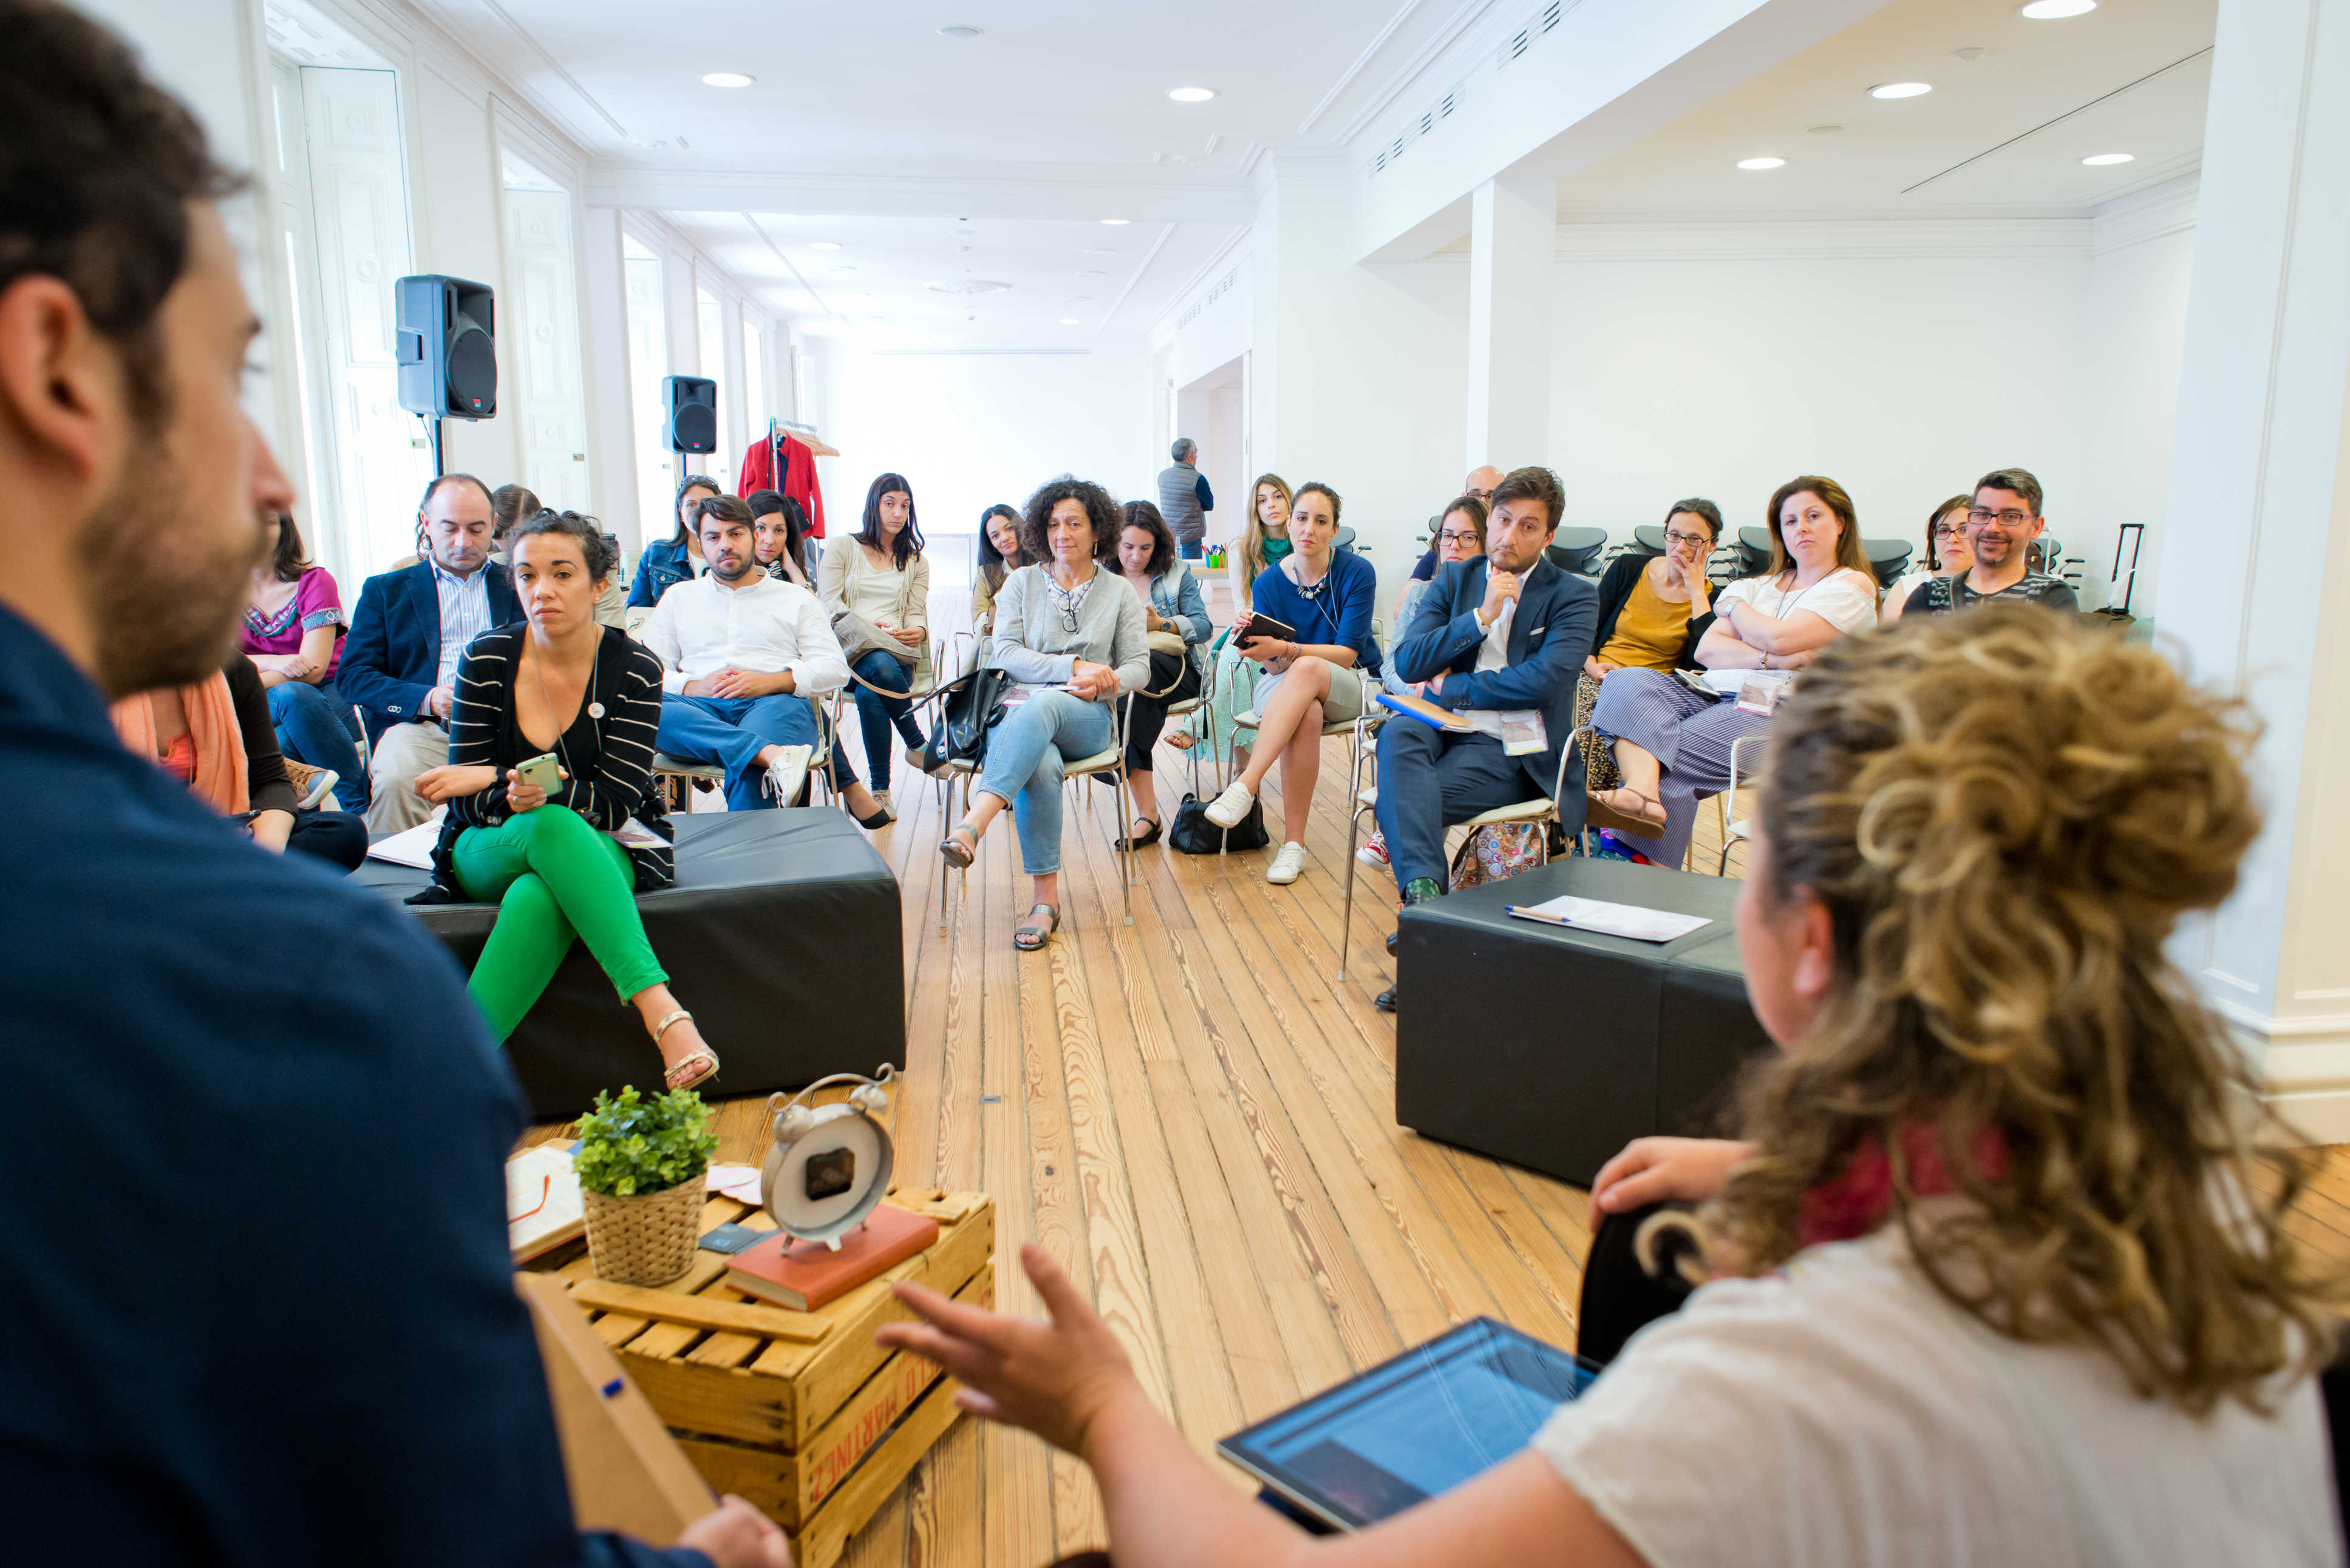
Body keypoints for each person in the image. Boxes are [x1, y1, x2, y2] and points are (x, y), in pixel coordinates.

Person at [878, 605, 2343, 1568]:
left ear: (1811, 937)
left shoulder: (1813, 1379)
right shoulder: (2177, 1185)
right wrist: (1751, 1171)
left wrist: (1098, 1409)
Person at [0, 6, 782, 1561]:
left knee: (563, 835)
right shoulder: (288, 1002)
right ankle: (643, 1021)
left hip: (548, 839)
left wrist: (519, 776)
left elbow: (594, 776)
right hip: (489, 864)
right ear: (57, 371)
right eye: (231, 374)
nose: (279, 482)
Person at [409, 511, 719, 1090]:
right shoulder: (486, 659)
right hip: (489, 845)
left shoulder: (635, 667)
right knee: (549, 825)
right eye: (526, 575)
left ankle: (447, 1080)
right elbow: (468, 804)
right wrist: (504, 785)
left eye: (561, 574)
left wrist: (490, 778)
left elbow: (618, 802)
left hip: (608, 840)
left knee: (539, 892)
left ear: (601, 585)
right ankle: (663, 1012)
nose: (541, 590)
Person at [1370, 466, 1595, 1011]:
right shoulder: (1456, 579)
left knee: (1403, 801)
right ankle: (1429, 910)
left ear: (1548, 537)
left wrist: (1458, 687)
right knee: (1399, 733)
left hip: (1512, 747)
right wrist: (1479, 618)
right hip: (1437, 725)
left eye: (1527, 526)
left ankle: (1428, 937)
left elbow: (1546, 679)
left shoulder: (1575, 596)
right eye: (1502, 519)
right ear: (1489, 517)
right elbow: (1409, 659)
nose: (1509, 536)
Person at [1590, 475, 1879, 871]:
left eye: (1814, 516)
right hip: (1708, 690)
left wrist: (1734, 610)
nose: (1802, 528)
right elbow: (1710, 650)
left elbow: (1780, 636)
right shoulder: (1758, 585)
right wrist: (1775, 657)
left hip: (1785, 709)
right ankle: (1641, 793)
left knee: (1669, 760)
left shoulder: (1851, 585)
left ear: (1841, 522)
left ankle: (1638, 877)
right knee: (1627, 680)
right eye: (1790, 521)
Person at [938, 477, 1148, 951]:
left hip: (1089, 718)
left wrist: (1105, 679)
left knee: (1049, 702)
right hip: (1016, 717)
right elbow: (1005, 652)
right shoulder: (1019, 583)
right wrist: (1071, 665)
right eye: (1053, 524)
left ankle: (977, 819)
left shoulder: (1118, 592)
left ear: (1098, 531)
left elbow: (1140, 666)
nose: (1062, 533)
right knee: (1042, 758)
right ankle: (1044, 902)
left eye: (1074, 522)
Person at [1199, 481, 1381, 887]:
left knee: (1308, 670)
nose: (1308, 529)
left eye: (1321, 521)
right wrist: (1255, 642)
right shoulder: (1267, 584)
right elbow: (1273, 662)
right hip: (1280, 684)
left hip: (1346, 684)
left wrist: (1289, 648)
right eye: (1302, 518)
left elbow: (1349, 654)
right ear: (1290, 521)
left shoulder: (1356, 572)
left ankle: (1245, 786)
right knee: (1307, 709)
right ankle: (1293, 846)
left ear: (1335, 530)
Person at [642, 494, 860, 818]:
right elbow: (651, 672)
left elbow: (835, 669)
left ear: (753, 536)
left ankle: (747, 857)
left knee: (753, 770)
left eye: (735, 534)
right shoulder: (678, 598)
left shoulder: (795, 598)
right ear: (701, 544)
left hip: (772, 703)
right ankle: (769, 754)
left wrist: (771, 682)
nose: (725, 545)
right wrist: (692, 686)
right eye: (714, 537)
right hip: (697, 709)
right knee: (651, 710)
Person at [341, 471, 522, 835]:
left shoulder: (520, 585)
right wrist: (427, 698)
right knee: (397, 781)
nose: (463, 542)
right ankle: (396, 885)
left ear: (494, 525)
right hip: (422, 728)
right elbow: (353, 677)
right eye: (449, 528)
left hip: (513, 726)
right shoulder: (386, 592)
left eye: (475, 529)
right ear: (426, 523)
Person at [113, 653, 369, 869]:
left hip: (220, 834)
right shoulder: (85, 675)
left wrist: (263, 860)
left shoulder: (231, 668)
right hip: (132, 843)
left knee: (344, 834)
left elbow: (270, 782)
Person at [1355, 494, 1487, 874]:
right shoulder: (1419, 594)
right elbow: (1395, 663)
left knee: (1438, 747)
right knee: (1414, 732)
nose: (1453, 546)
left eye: (1467, 538)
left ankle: (1397, 829)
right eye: (1447, 537)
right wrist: (1415, 688)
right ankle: (1414, 857)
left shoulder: (1492, 599)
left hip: (1472, 707)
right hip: (1420, 700)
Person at [819, 471, 932, 815]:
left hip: (898, 657)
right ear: (874, 505)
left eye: (904, 506)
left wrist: (918, 632)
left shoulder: (916, 561)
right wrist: (866, 627)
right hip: (850, 654)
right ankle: (916, 742)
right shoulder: (842, 547)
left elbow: (916, 612)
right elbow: (828, 603)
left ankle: (879, 792)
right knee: (876, 665)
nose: (898, 513)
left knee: (877, 678)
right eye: (890, 504)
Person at [239, 509, 367, 812]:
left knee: (283, 734)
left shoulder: (315, 581)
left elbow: (313, 669)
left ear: (284, 530)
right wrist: (276, 661)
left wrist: (245, 681)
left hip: (330, 693)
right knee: (286, 705)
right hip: (264, 700)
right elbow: (220, 663)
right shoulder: (219, 592)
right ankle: (359, 807)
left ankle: (353, 810)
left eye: (268, 522)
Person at [1109, 500, 1211, 847]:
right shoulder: (1102, 579)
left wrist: (1161, 624)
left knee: (1140, 674)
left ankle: (1119, 757)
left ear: (1158, 545)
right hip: (1130, 679)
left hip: (1180, 671)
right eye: (1128, 547)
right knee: (1135, 688)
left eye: (1145, 548)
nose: (1136, 556)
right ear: (1114, 542)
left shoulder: (1177, 572)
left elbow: (1203, 625)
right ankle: (1148, 816)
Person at [1196, 471, 1293, 767]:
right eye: (1262, 500)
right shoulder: (1241, 547)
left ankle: (1203, 726)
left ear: (1290, 502)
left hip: (1294, 630)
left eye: (1278, 497)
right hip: (1256, 623)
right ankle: (1242, 769)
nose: (1271, 505)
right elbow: (1242, 604)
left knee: (1245, 663)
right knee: (1235, 660)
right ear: (1255, 509)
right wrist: (1245, 617)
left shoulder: (1302, 543)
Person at [1904, 467, 2080, 616]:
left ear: (2036, 527)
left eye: (2010, 517)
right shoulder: (1929, 596)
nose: (1991, 528)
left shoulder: (2051, 597)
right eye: (1982, 515)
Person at [1583, 499, 1721, 679]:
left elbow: (1702, 667)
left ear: (1712, 545)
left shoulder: (1713, 599)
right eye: (1674, 535)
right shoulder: (1627, 568)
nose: (1680, 547)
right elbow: (1586, 627)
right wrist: (1590, 665)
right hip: (1597, 677)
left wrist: (1697, 592)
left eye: (1694, 539)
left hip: (1655, 691)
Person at [625, 473, 720, 609]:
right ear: (680, 513)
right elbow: (637, 613)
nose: (699, 511)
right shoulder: (656, 554)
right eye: (691, 505)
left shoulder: (730, 554)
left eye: (706, 505)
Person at [1881, 494, 1972, 623]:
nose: (1952, 539)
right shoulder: (1907, 586)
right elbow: (1890, 640)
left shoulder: (1997, 586)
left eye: (1964, 530)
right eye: (1943, 531)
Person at [1409, 464, 1507, 582]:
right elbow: (1411, 591)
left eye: (1491, 496)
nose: (1482, 502)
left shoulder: (1506, 549)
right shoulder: (1445, 546)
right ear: (1464, 497)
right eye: (1475, 495)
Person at [971, 501, 1026, 636]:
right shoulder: (986, 573)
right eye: (995, 536)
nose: (1004, 538)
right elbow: (979, 617)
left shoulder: (1044, 565)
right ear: (991, 544)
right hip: (999, 638)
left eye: (1009, 529)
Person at [1156, 436, 1213, 560]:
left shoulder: (1162, 476)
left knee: (1169, 574)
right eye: (1196, 452)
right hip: (1190, 539)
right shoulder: (1198, 479)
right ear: (1189, 456)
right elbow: (1209, 505)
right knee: (1191, 574)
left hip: (1168, 536)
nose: (1197, 456)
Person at [749, 486, 816, 588]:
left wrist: (792, 569)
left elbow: (813, 604)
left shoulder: (788, 576)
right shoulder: (733, 573)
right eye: (761, 528)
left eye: (779, 530)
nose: (770, 540)